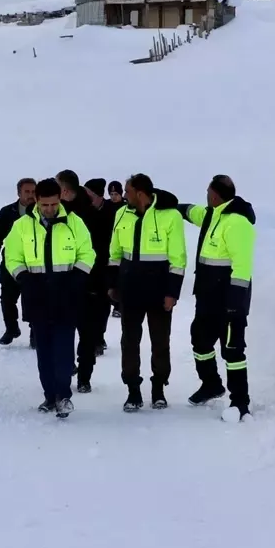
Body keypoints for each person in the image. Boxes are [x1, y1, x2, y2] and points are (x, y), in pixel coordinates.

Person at [3, 178, 95, 418]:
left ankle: (63, 395)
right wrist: (24, 278)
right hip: (37, 295)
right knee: (44, 350)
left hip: (67, 294)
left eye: (54, 204)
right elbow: (12, 256)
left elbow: (87, 253)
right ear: (36, 201)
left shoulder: (75, 223)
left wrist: (76, 278)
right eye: (45, 205)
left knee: (64, 349)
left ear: (60, 200)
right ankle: (49, 395)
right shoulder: (22, 226)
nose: (49, 209)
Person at [177, 175, 257, 421]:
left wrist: (235, 303)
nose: (205, 195)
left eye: (207, 191)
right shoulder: (213, 214)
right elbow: (193, 213)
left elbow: (242, 266)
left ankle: (240, 403)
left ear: (214, 194)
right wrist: (170, 204)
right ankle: (211, 384)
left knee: (232, 351)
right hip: (207, 299)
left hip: (230, 301)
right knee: (200, 341)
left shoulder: (237, 222)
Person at [108, 173, 187, 412]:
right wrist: (112, 285)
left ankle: (158, 389)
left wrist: (172, 293)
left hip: (158, 290)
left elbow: (178, 259)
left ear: (140, 193)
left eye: (127, 191)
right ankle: (133, 391)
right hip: (130, 289)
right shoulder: (122, 213)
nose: (124, 195)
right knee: (129, 342)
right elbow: (114, 253)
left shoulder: (170, 216)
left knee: (160, 342)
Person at [74, 177, 120, 393]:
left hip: (100, 278)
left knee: (91, 330)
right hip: (77, 280)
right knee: (71, 330)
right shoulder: (75, 214)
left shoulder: (113, 212)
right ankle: (74, 370)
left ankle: (84, 375)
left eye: (89, 193)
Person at [0, 178, 37, 346]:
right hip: (10, 263)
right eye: (27, 191)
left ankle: (35, 333)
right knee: (7, 298)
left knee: (33, 298)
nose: (31, 195)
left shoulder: (40, 213)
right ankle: (11, 328)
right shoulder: (7, 212)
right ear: (19, 193)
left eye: (33, 192)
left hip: (34, 264)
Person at [107, 180, 125, 318]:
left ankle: (119, 306)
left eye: (116, 194)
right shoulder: (107, 207)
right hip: (109, 246)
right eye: (111, 194)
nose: (113, 197)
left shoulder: (126, 208)